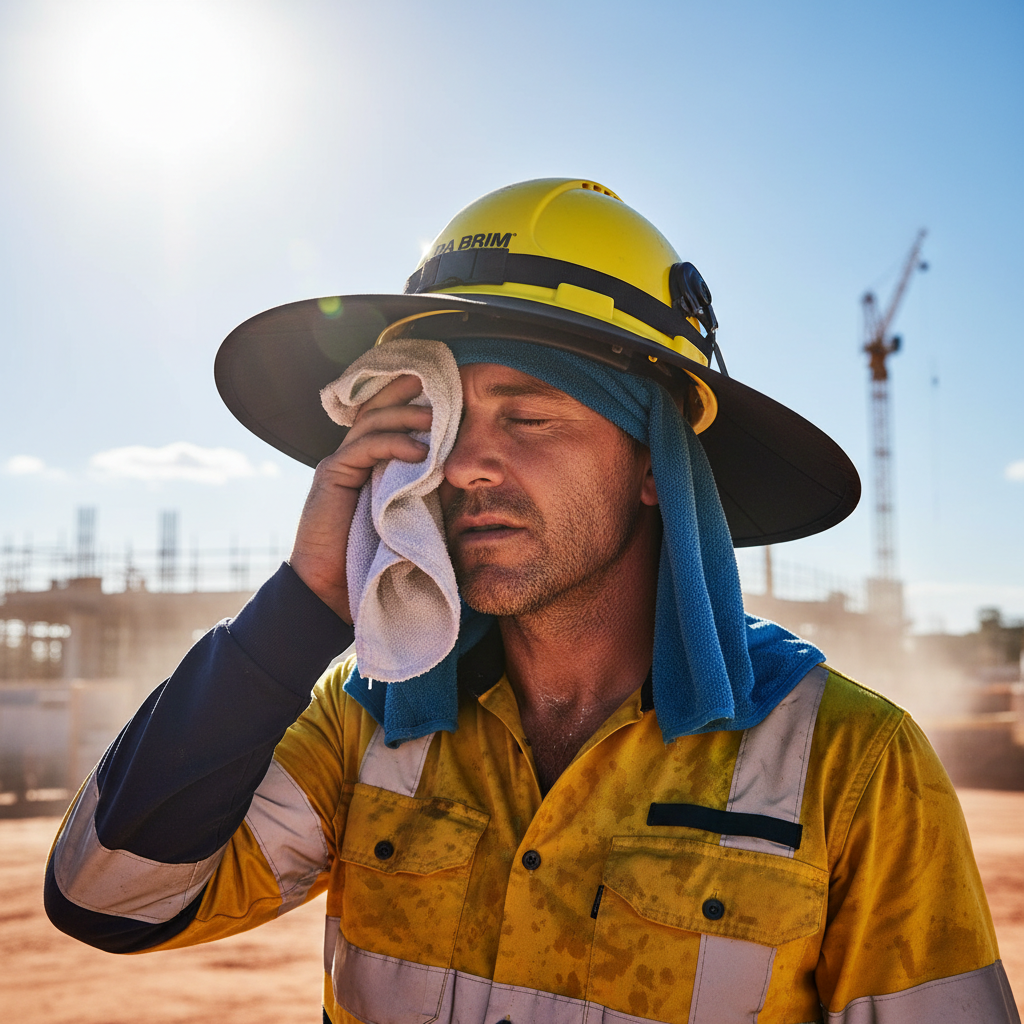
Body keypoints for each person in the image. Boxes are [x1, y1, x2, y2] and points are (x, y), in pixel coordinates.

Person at [45, 179, 1018, 1024]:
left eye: (529, 414)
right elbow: (109, 896)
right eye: (443, 418)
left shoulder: (849, 760)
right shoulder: (372, 715)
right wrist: (303, 603)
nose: (463, 464)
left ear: (654, 465)